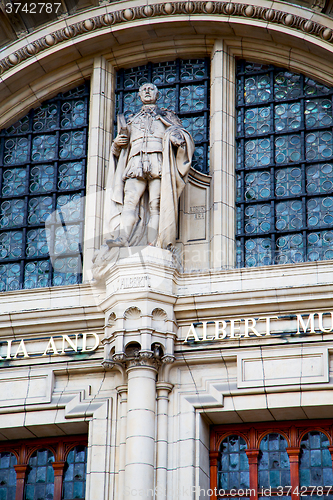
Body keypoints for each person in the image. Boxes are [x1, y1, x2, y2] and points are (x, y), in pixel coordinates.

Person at [104, 82, 194, 249]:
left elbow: (180, 134)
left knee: (156, 205)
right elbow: (120, 150)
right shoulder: (131, 120)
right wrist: (116, 144)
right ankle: (123, 237)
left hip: (158, 162)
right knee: (129, 200)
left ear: (156, 95)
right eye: (143, 89)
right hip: (135, 162)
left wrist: (176, 138)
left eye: (151, 89)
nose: (147, 91)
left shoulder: (166, 116)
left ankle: (154, 243)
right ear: (139, 95)